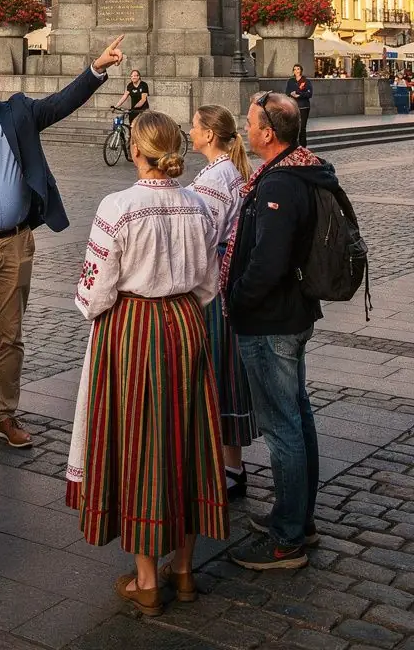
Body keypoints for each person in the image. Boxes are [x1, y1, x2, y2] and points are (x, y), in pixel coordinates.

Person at [0, 37, 125, 454]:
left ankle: (5, 415)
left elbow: (61, 103)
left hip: (16, 242)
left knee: (10, 336)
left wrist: (97, 68)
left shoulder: (18, 113)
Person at [66, 111, 228, 616]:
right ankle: (183, 571)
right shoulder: (199, 206)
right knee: (189, 440)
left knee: (140, 441)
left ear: (136, 150)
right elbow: (208, 284)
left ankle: (146, 579)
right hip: (184, 325)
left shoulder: (118, 206)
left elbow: (93, 293)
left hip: (133, 327)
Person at [224, 92, 336, 571]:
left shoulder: (282, 184)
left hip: (271, 322)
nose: (246, 130)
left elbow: (268, 263)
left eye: (251, 122)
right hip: (290, 315)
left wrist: (236, 300)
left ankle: (288, 538)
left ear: (269, 133)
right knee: (297, 416)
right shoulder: (297, 168)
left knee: (282, 426)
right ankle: (298, 518)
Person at [189, 105, 257, 501]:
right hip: (224, 283)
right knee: (225, 371)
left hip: (213, 286)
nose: (190, 131)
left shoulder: (216, 178)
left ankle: (227, 468)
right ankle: (231, 464)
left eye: (195, 126)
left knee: (216, 371)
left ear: (210, 135)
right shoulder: (228, 171)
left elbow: (203, 233)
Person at [286, 64, 313, 147]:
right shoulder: (290, 81)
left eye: (298, 69)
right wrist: (291, 94)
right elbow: (287, 92)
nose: (296, 71)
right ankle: (293, 146)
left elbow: (309, 93)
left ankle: (303, 146)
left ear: (301, 70)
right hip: (293, 107)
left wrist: (299, 95)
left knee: (302, 128)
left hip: (304, 107)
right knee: (293, 127)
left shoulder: (306, 81)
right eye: (294, 69)